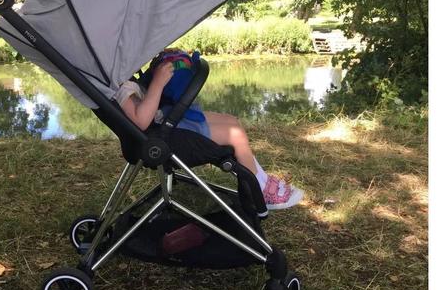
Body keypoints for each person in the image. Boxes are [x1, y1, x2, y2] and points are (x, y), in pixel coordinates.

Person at [114, 52, 304, 210]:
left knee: (232, 121)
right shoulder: (120, 87)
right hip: (162, 135)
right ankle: (260, 194)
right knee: (235, 135)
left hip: (167, 121)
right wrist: (158, 82)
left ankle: (260, 180)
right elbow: (141, 121)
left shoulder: (125, 80)